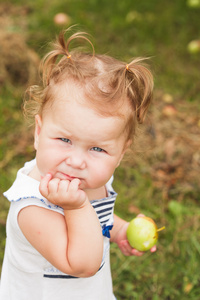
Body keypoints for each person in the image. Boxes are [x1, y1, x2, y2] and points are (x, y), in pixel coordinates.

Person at [0, 29, 155, 300]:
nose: (76, 161)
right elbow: (81, 265)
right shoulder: (32, 207)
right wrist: (76, 206)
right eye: (64, 139)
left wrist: (119, 230)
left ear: (120, 153)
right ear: (38, 133)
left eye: (97, 149)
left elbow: (100, 219)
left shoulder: (92, 180)